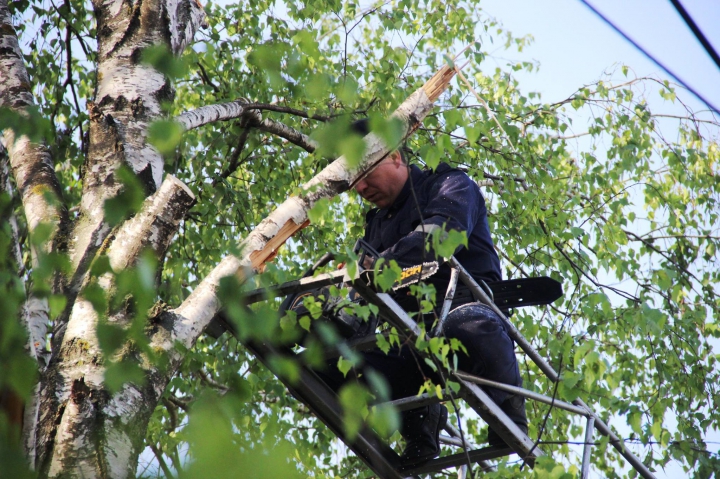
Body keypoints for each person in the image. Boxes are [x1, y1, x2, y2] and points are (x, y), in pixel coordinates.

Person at [319, 120, 527, 466]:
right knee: (327, 359)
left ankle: (508, 410)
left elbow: (436, 240)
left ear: (397, 157)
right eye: (352, 178)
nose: (360, 186)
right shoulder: (378, 224)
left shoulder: (450, 185)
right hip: (411, 337)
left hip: (466, 308)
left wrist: (375, 266)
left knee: (464, 323)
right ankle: (419, 428)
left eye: (365, 172)